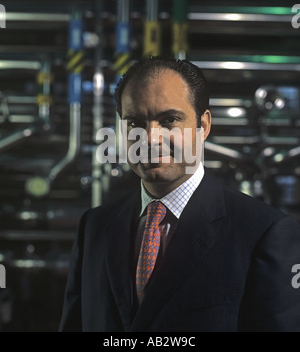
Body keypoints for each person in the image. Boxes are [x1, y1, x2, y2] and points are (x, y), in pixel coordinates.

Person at [59, 57, 300, 332]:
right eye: (135, 122)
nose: (150, 138)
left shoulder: (264, 232)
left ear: (204, 126)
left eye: (169, 119)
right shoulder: (94, 227)